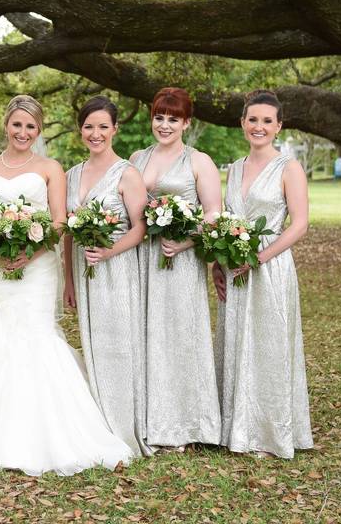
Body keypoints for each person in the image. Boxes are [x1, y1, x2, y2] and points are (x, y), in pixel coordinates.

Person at [0, 95, 133, 476]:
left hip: (38, 266)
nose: (23, 132)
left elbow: (60, 221)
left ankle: (42, 435)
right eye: (17, 124)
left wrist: (27, 253)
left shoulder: (51, 168)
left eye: (31, 126)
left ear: (39, 130)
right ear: (6, 125)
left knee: (34, 336)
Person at [213, 90, 313, 459]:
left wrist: (260, 257)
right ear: (242, 123)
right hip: (234, 263)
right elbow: (226, 219)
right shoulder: (234, 167)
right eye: (252, 119)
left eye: (267, 121)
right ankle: (235, 427)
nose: (259, 126)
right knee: (237, 340)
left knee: (268, 344)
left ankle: (269, 433)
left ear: (278, 126)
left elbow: (300, 224)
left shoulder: (289, 168)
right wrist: (217, 262)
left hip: (269, 267)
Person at [129, 88, 221, 451]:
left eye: (173, 119)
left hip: (179, 260)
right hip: (142, 259)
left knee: (179, 336)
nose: (164, 125)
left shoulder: (199, 161)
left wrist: (186, 241)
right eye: (159, 117)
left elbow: (213, 212)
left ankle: (185, 425)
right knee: (146, 334)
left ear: (186, 123)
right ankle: (149, 421)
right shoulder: (137, 158)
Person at [63, 96, 150, 457]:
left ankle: (123, 425)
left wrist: (109, 252)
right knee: (93, 341)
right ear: (80, 130)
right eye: (88, 127)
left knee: (118, 343)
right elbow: (68, 231)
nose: (95, 133)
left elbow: (140, 228)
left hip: (117, 268)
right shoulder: (71, 175)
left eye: (103, 126)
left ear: (115, 129)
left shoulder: (127, 173)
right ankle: (97, 422)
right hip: (85, 272)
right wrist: (68, 280)